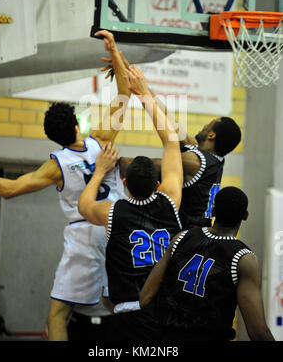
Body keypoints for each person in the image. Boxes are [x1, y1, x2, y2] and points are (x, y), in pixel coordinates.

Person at [0, 30, 130, 341]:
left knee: (58, 314)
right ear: (77, 125)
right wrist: (114, 53)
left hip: (84, 232)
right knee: (123, 305)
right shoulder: (102, 140)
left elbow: (8, 190)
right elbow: (125, 94)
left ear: (53, 137)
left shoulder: (56, 165)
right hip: (118, 228)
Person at [78, 65, 183, 342]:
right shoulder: (169, 200)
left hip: (129, 314)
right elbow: (172, 144)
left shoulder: (114, 211)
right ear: (158, 185)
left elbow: (84, 205)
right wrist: (144, 93)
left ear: (123, 184)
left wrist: (100, 170)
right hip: (166, 310)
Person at [101, 52, 241, 229]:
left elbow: (144, 169)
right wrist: (131, 75)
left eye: (208, 125)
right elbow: (166, 118)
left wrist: (102, 161)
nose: (203, 126)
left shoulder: (195, 162)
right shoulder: (208, 159)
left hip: (185, 238)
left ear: (211, 135)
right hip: (195, 234)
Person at [139, 186, 275, 342]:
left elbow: (145, 299)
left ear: (213, 211)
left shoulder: (181, 238)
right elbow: (258, 332)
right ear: (245, 216)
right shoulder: (245, 259)